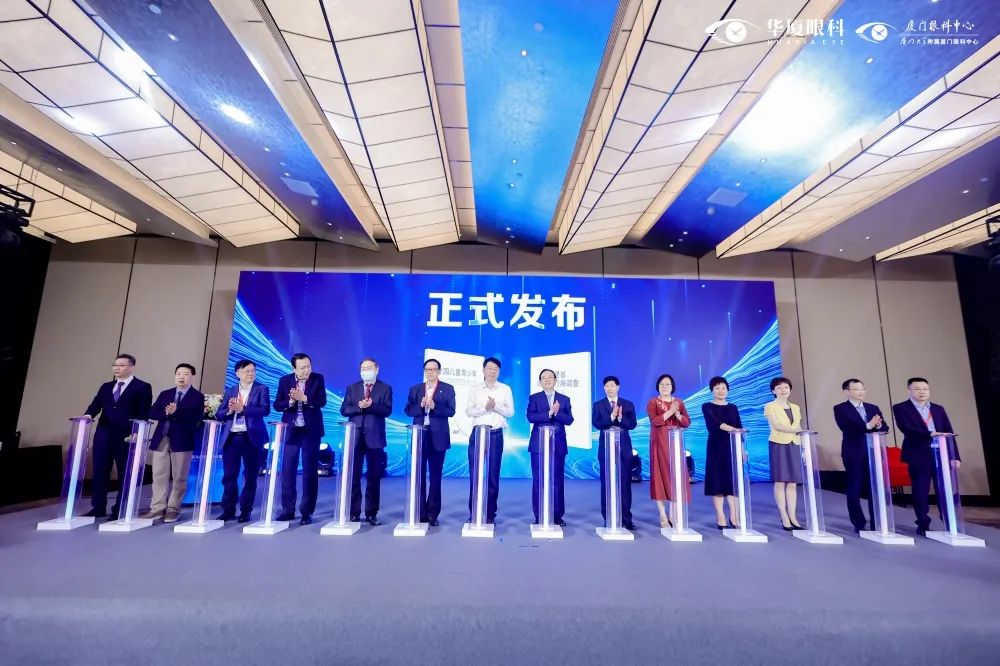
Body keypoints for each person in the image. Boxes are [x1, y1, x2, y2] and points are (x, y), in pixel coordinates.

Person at [83, 354, 153, 519]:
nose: (117, 368)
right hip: (104, 434)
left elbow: (143, 411)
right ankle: (98, 507)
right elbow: (96, 404)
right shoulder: (106, 386)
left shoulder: (142, 387)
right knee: (100, 470)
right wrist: (87, 415)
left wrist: (137, 432)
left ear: (131, 367)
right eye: (115, 365)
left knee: (125, 472)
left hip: (127, 435)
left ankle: (120, 508)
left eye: (121, 365)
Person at [892, 377, 959, 536]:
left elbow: (949, 432)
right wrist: (930, 434)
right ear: (909, 390)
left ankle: (949, 523)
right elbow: (906, 428)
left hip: (941, 454)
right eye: (917, 389)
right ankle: (923, 523)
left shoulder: (938, 409)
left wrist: (955, 456)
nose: (922, 392)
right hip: (918, 454)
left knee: (944, 490)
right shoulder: (901, 408)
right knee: (921, 491)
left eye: (925, 389)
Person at [141, 363, 204, 523]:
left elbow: (196, 419)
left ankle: (173, 509)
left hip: (182, 440)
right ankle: (157, 508)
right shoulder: (166, 393)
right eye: (178, 374)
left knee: (179, 477)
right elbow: (152, 412)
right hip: (162, 438)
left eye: (186, 374)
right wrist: (166, 412)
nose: (181, 377)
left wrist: (177, 412)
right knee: (158, 475)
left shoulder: (197, 396)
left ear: (192, 377)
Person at [215, 359, 271, 522]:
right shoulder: (231, 390)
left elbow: (265, 410)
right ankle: (228, 509)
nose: (251, 374)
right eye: (247, 371)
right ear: (238, 373)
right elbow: (219, 414)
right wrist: (229, 410)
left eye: (253, 371)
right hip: (232, 437)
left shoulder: (261, 388)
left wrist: (243, 408)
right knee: (229, 476)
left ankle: (246, 511)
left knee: (250, 476)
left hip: (251, 437)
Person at [274, 353, 327, 526]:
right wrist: (290, 401)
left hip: (310, 431)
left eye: (308, 366)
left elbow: (322, 401)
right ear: (294, 368)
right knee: (287, 471)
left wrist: (304, 398)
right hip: (291, 431)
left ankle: (306, 512)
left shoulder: (318, 379)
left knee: (310, 472)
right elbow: (277, 405)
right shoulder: (285, 381)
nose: (306, 370)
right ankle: (288, 510)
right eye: (303, 367)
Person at [403, 358, 456, 526]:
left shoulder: (447, 388)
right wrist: (420, 406)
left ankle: (433, 514)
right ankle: (419, 512)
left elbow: (451, 411)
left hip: (438, 436)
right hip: (420, 434)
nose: (430, 372)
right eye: (427, 369)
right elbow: (408, 410)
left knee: (435, 475)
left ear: (439, 371)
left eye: (433, 369)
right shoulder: (415, 389)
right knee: (418, 474)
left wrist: (435, 407)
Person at [833, 378, 890, 535]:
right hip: (854, 453)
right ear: (847, 392)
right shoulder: (841, 408)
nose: (861, 392)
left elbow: (885, 427)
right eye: (856, 389)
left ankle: (876, 522)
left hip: (873, 452)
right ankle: (858, 523)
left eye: (862, 389)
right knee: (855, 488)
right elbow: (846, 428)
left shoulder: (873, 408)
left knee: (874, 489)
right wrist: (867, 426)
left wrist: (879, 425)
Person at [340, 358, 393, 526]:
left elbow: (387, 410)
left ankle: (371, 513)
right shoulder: (352, 387)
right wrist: (360, 407)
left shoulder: (385, 388)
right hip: (354, 437)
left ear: (377, 369)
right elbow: (344, 409)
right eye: (363, 368)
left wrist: (371, 405)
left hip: (375, 437)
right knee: (353, 476)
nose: (365, 371)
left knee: (373, 477)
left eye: (369, 368)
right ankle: (354, 512)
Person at [465, 357, 515, 524]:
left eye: (496, 369)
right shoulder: (475, 389)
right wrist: (484, 408)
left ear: (499, 371)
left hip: (495, 434)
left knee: (493, 474)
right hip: (478, 433)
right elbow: (469, 411)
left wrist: (496, 407)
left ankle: (490, 513)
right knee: (475, 474)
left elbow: (510, 412)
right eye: (489, 368)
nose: (492, 371)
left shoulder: (505, 389)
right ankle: (474, 511)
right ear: (483, 370)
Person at [526, 369, 574, 526]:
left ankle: (557, 516)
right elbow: (530, 417)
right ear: (540, 381)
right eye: (543, 378)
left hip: (558, 445)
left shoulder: (564, 399)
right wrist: (549, 413)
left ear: (555, 380)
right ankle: (539, 515)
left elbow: (569, 420)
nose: (547, 380)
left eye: (550, 377)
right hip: (538, 445)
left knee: (557, 480)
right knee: (538, 479)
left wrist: (557, 413)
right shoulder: (534, 398)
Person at [592, 376, 637, 530]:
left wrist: (621, 418)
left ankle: (626, 518)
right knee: (607, 483)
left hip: (624, 448)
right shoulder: (598, 405)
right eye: (606, 386)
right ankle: (608, 517)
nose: (609, 388)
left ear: (618, 387)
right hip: (606, 448)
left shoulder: (627, 404)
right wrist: (611, 417)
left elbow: (632, 424)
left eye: (612, 385)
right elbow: (596, 423)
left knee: (625, 483)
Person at [647, 374, 691, 528]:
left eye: (667, 384)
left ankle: (673, 514)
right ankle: (662, 515)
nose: (664, 387)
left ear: (672, 387)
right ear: (658, 387)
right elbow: (655, 421)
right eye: (662, 384)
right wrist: (670, 412)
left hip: (675, 444)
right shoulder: (653, 402)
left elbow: (687, 422)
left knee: (676, 478)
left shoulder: (679, 402)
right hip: (659, 443)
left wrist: (678, 415)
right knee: (659, 478)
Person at [702, 376, 743, 529]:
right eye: (717, 388)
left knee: (732, 482)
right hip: (716, 446)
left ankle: (734, 516)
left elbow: (739, 426)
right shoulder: (707, 406)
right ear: (712, 390)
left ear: (727, 390)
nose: (721, 391)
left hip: (732, 446)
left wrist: (742, 448)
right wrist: (733, 429)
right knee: (717, 481)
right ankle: (720, 516)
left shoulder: (733, 407)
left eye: (723, 388)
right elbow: (714, 424)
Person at [764, 376, 804, 531]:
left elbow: (799, 426)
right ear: (773, 391)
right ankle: (784, 515)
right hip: (778, 444)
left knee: (793, 482)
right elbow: (777, 426)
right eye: (779, 387)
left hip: (795, 444)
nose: (783, 390)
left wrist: (804, 446)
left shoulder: (795, 407)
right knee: (780, 481)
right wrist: (796, 430)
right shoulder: (770, 406)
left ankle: (793, 516)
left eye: (786, 387)